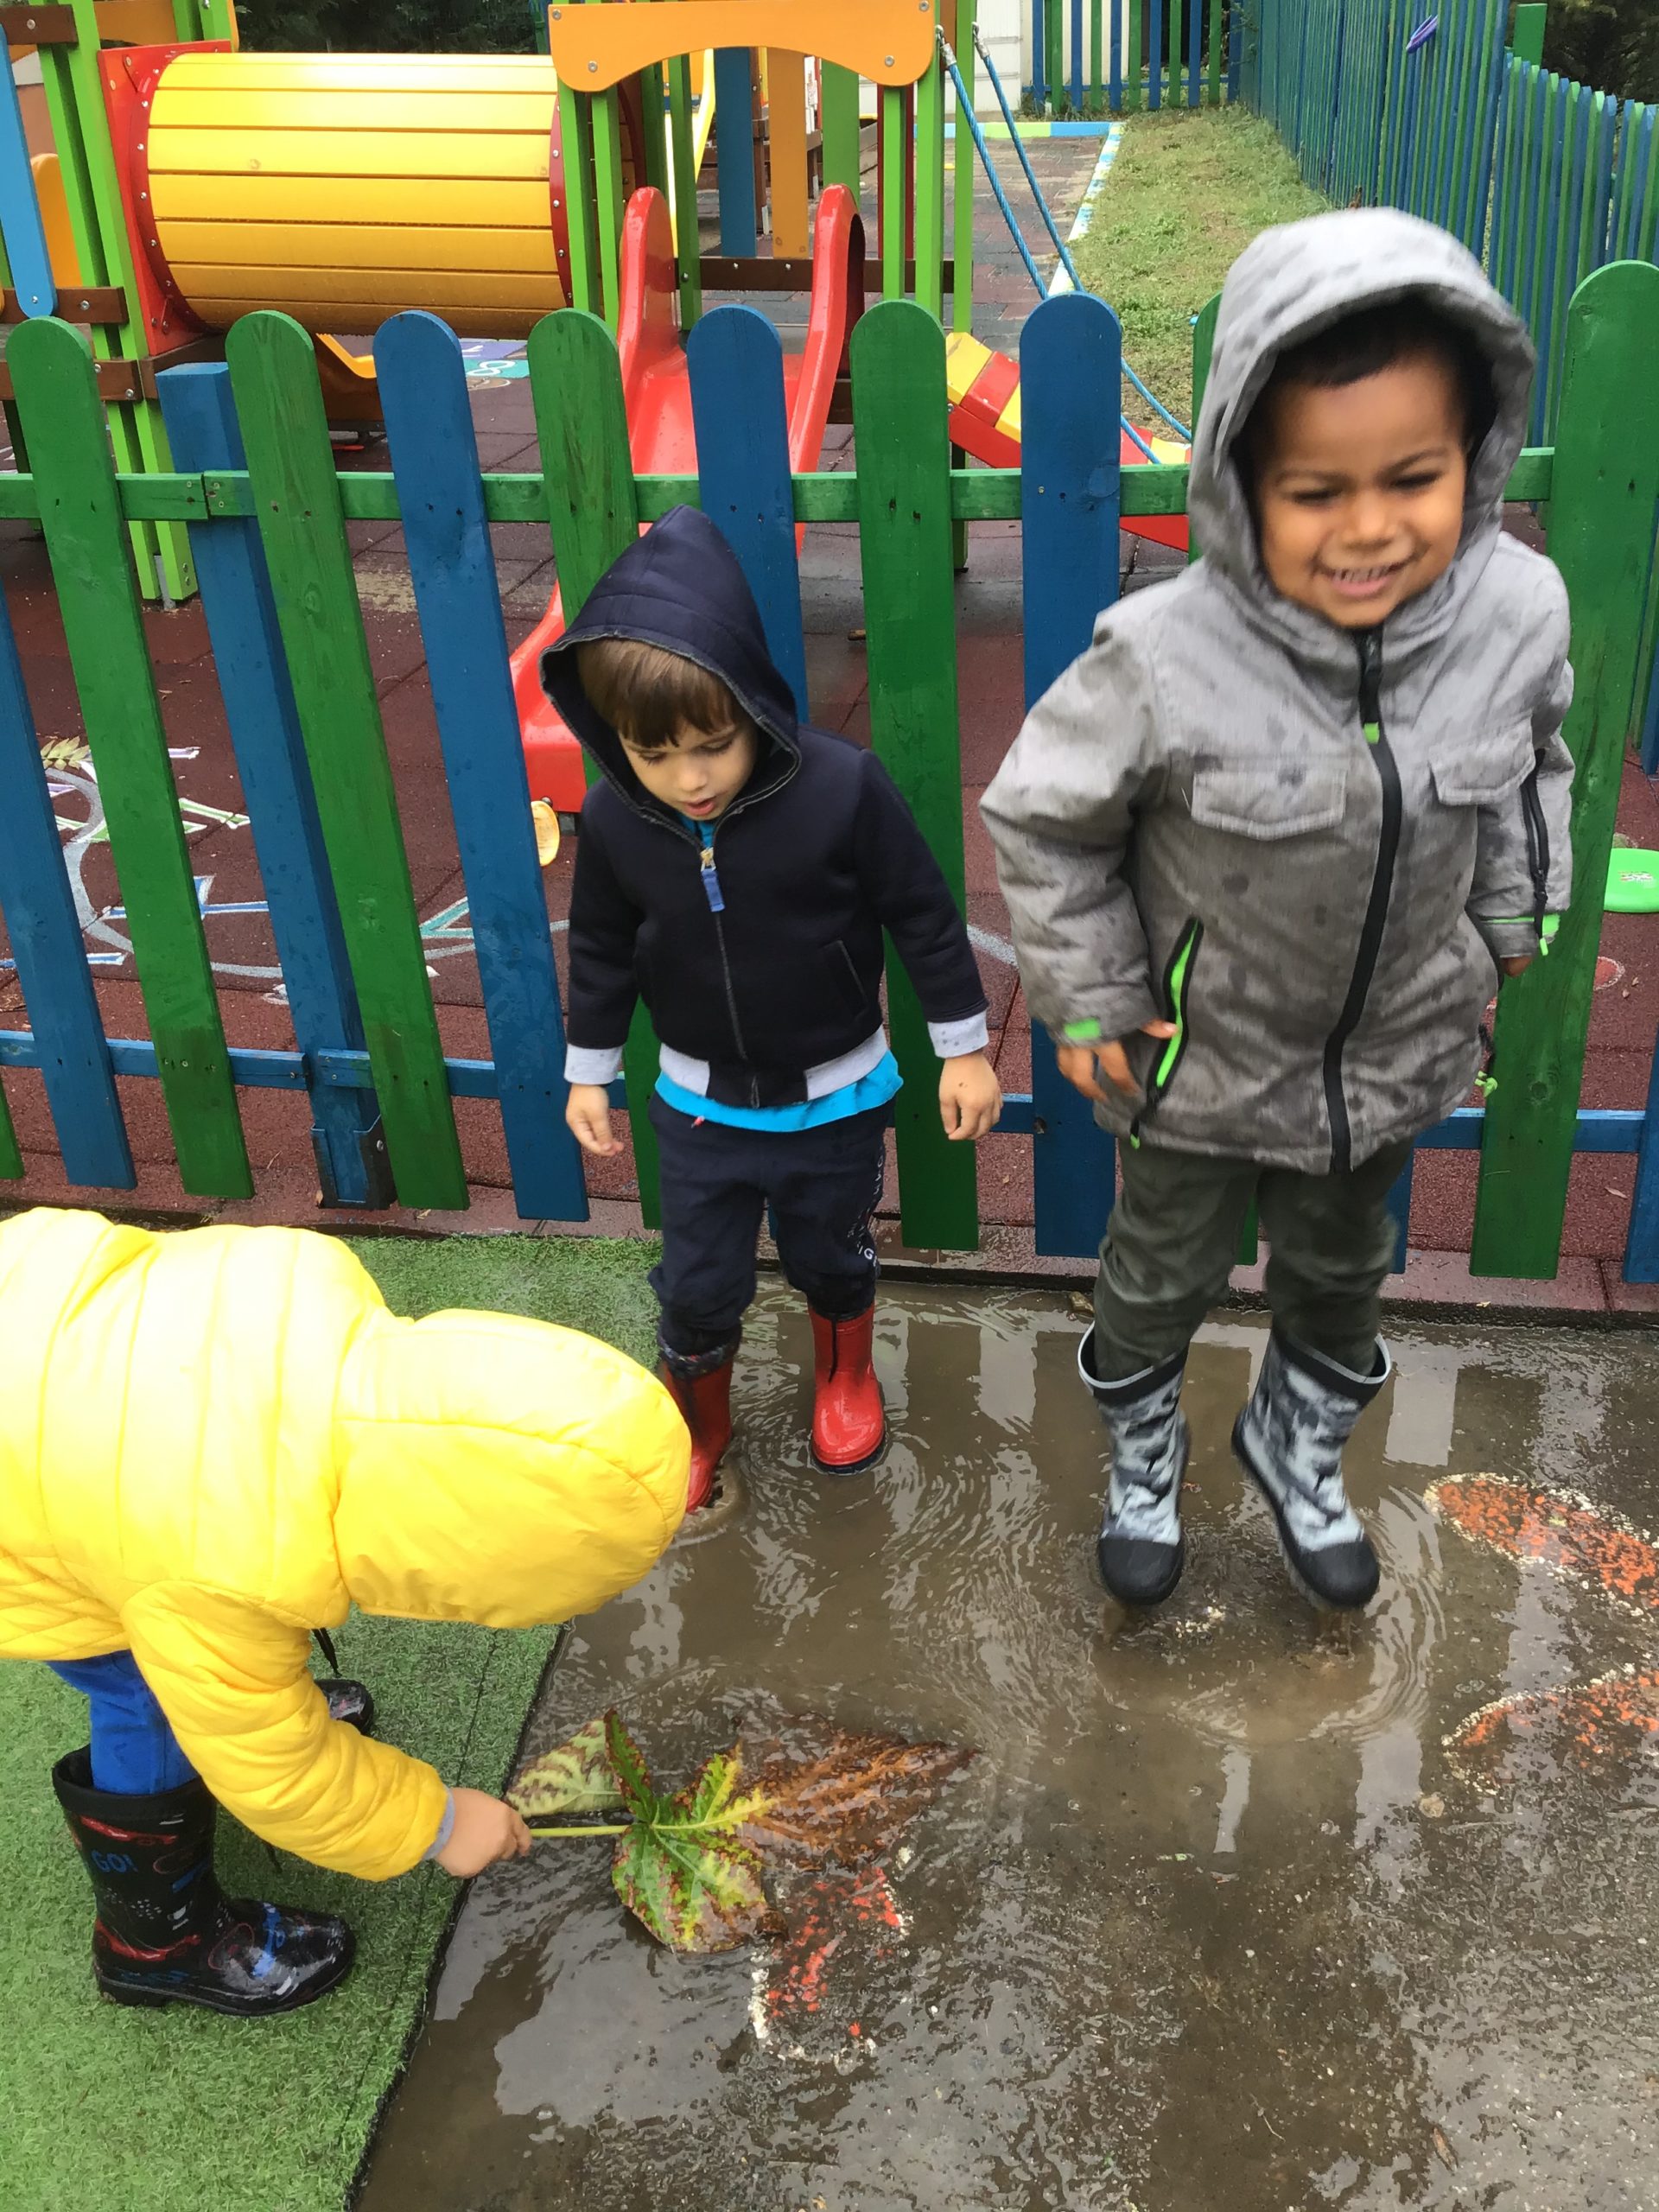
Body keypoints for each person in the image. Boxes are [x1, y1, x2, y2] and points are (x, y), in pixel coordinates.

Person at [982, 208, 1573, 1612]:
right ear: (1240, 483)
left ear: (1478, 455)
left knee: (1343, 1273)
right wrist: (1088, 995)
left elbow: (1529, 767)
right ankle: (1144, 1451)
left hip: (1390, 1055)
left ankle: (1297, 1443)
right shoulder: (1164, 654)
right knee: (1156, 1276)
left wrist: (1511, 917)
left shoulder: (1518, 613)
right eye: (1316, 491)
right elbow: (1046, 817)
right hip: (1198, 1060)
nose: (1369, 528)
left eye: (1414, 478)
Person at [0, 1206, 689, 2015]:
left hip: (42, 1325)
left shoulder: (312, 1279)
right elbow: (278, 1774)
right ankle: (154, 1941)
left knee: (223, 1637)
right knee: (151, 1695)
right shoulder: (226, 1562)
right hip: (50, 1500)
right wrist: (439, 1822)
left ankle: (240, 1694)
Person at [543, 505, 1001, 1508]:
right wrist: (589, 1069)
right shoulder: (620, 818)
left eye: (714, 744)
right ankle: (698, 1423)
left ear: (752, 703)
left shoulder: (843, 788)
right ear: (616, 740)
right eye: (655, 754)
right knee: (697, 1283)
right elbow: (605, 947)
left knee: (831, 1254)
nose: (690, 779)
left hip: (833, 1097)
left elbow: (922, 915)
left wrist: (964, 1047)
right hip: (700, 1108)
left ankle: (845, 1377)